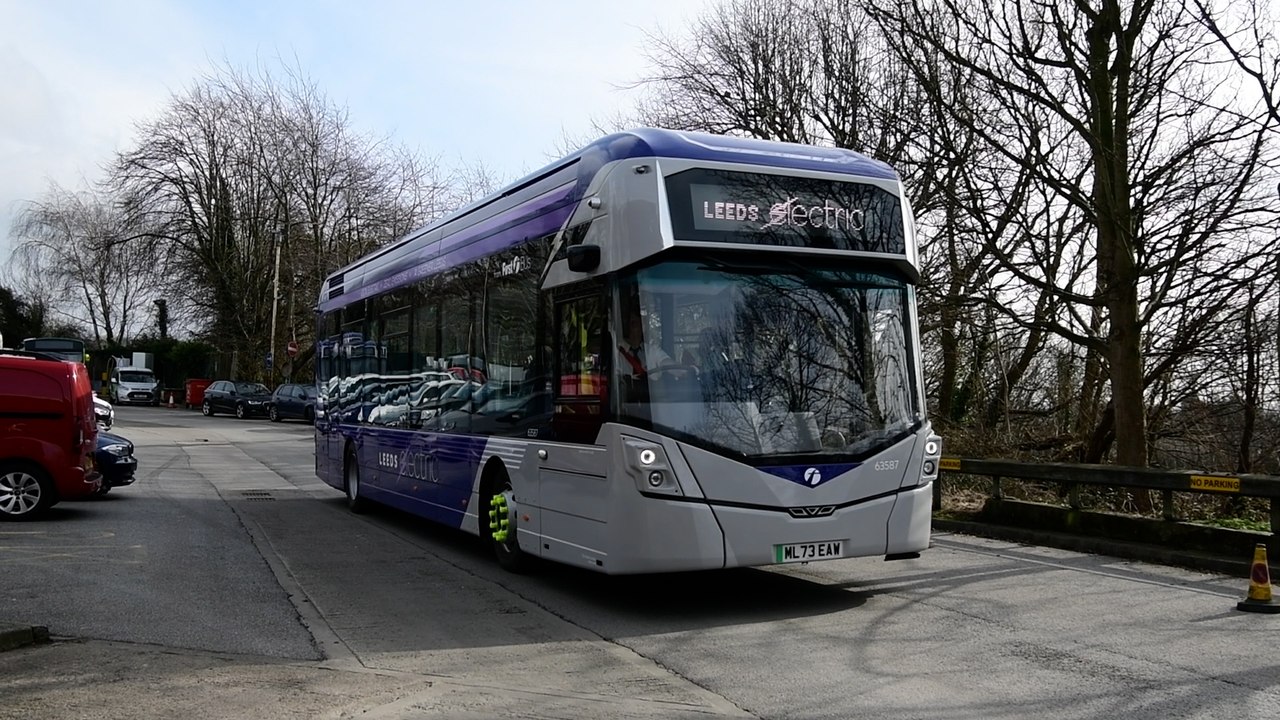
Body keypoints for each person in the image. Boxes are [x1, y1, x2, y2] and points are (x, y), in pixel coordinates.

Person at [617, 310, 673, 377]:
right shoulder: (617, 353)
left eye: (634, 323)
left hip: (654, 387)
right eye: (630, 324)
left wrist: (681, 371)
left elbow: (666, 362)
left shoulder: (652, 350)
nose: (631, 328)